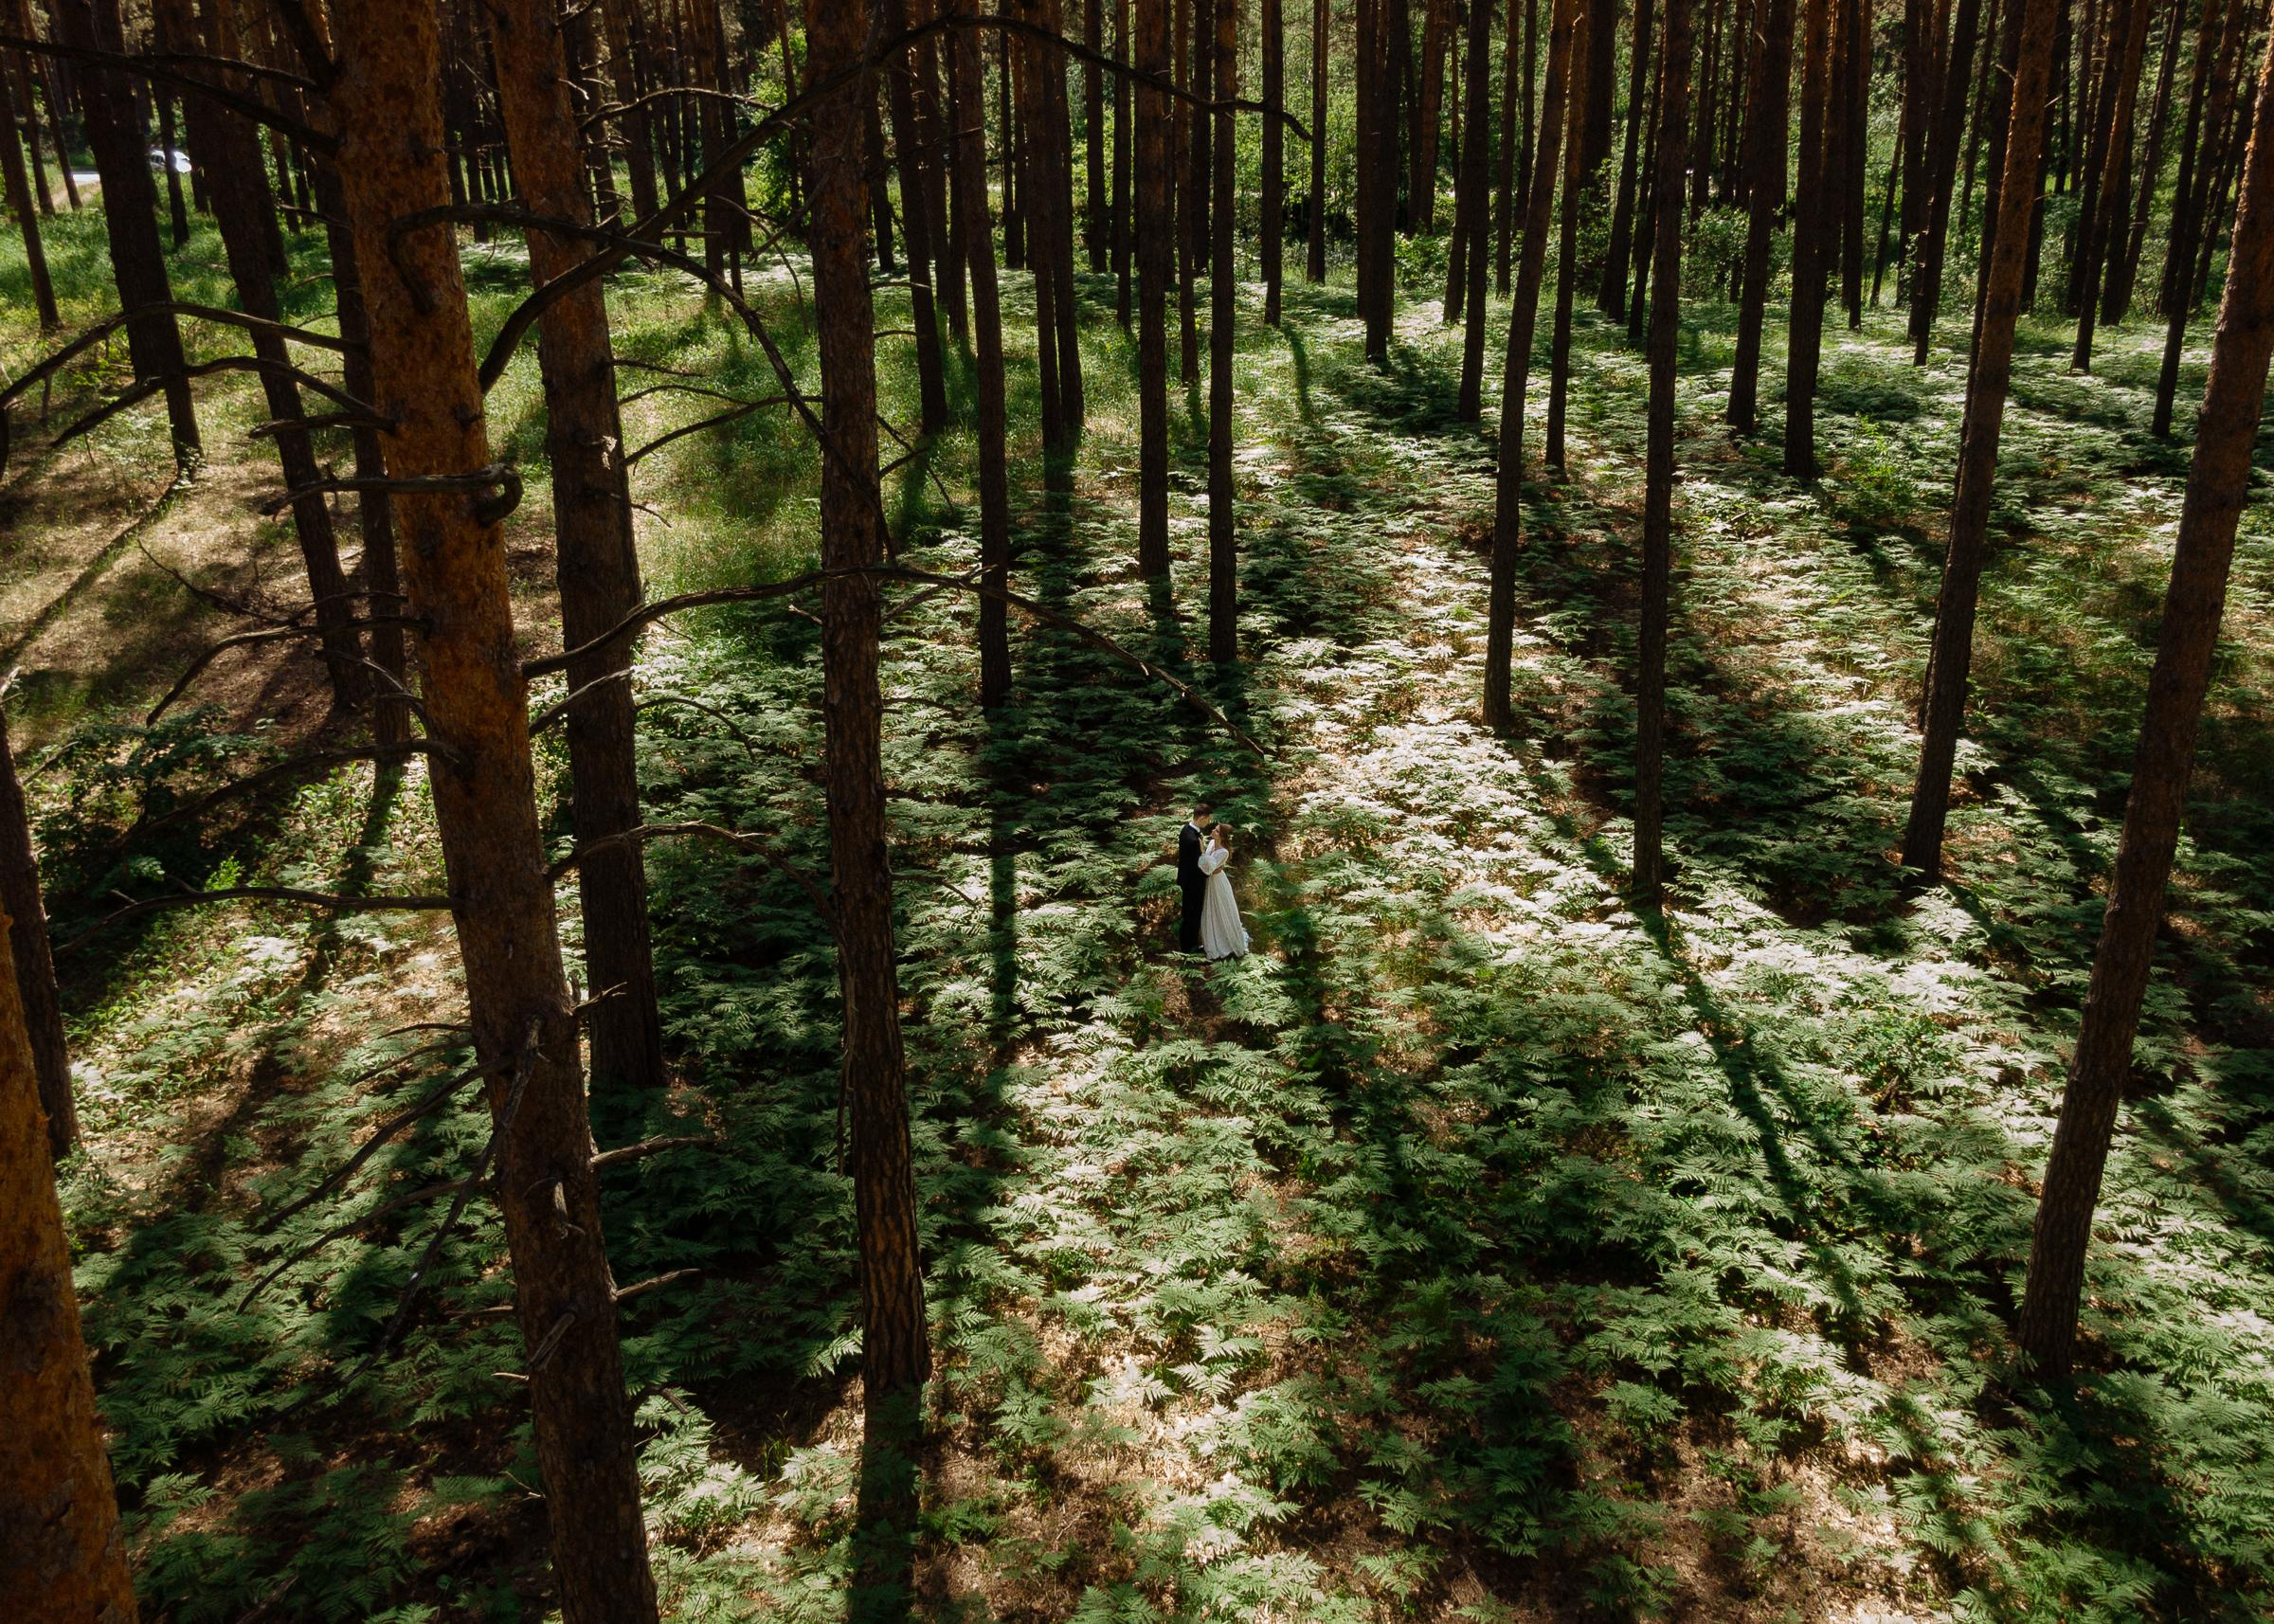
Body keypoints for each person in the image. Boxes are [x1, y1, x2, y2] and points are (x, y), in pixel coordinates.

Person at [1197, 823, 1249, 961]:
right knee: (1211, 910)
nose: (1213, 831)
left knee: (1221, 908)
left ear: (1223, 836)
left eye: (1217, 831)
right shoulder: (1212, 843)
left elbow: (1209, 868)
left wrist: (1202, 851)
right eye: (1215, 829)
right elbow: (1207, 866)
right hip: (1210, 881)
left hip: (1218, 882)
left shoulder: (1224, 852)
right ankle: (1211, 940)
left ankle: (1226, 944)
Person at [1177, 802, 1211, 953]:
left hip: (1188, 880)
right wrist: (1208, 873)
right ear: (1202, 817)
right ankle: (1188, 948)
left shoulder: (1187, 829)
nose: (1209, 822)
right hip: (1193, 882)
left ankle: (1189, 944)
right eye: (1208, 819)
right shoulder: (1192, 839)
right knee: (1193, 914)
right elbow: (1197, 865)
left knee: (1191, 914)